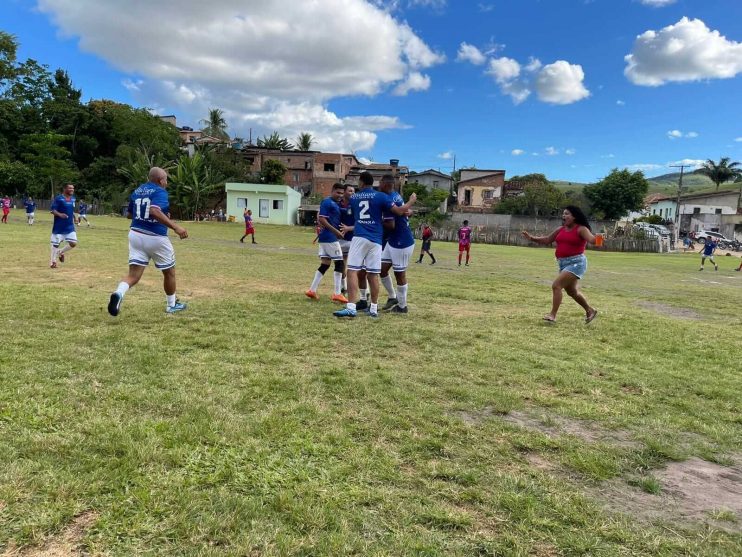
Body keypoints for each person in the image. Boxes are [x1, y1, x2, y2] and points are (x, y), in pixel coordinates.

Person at [107, 167, 188, 316]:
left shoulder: (138, 190)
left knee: (133, 275)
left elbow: (130, 215)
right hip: (155, 237)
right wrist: (176, 227)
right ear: (159, 180)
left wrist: (160, 214)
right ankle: (172, 305)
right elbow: (154, 211)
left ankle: (118, 294)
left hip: (136, 235)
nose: (167, 182)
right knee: (169, 273)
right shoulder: (160, 191)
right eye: (166, 179)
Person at [334, 172, 416, 319]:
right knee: (374, 273)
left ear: (361, 183)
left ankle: (352, 307)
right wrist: (409, 205)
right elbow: (398, 211)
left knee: (353, 270)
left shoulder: (355, 197)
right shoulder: (383, 197)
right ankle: (374, 308)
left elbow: (348, 208)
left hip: (364, 237)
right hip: (377, 240)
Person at [522, 205, 599, 324]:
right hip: (563, 263)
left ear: (574, 216)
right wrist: (531, 238)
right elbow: (547, 239)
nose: (564, 216)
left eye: (567, 214)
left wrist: (601, 239)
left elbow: (593, 240)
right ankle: (590, 310)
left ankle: (552, 315)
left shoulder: (581, 229)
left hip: (576, 263)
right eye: (563, 214)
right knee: (572, 292)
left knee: (556, 285)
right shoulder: (560, 229)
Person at [379, 175, 415, 314]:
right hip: (393, 240)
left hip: (402, 241)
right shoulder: (396, 196)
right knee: (381, 270)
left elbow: (391, 225)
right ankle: (393, 297)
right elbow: (405, 212)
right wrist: (409, 210)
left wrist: (377, 221)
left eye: (380, 182)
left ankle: (402, 306)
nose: (378, 185)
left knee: (399, 274)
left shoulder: (389, 199)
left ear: (386, 184)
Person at [306, 183, 347, 303]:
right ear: (332, 191)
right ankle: (337, 293)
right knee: (339, 263)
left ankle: (312, 290)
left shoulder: (336, 204)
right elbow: (322, 219)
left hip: (325, 238)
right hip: (329, 237)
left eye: (341, 193)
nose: (340, 195)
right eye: (338, 193)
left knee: (325, 264)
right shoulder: (327, 202)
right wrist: (336, 232)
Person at [49, 184, 79, 268]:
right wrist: (60, 214)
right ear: (65, 189)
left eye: (73, 188)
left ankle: (61, 252)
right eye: (70, 188)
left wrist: (74, 217)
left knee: (73, 243)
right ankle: (53, 262)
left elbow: (71, 210)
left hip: (69, 226)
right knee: (56, 244)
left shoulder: (73, 199)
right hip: (59, 226)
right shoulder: (59, 199)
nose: (72, 189)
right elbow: (52, 210)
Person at [338, 184, 355, 293]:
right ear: (344, 192)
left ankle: (364, 291)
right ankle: (342, 287)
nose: (352, 193)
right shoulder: (336, 204)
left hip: (352, 239)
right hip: (339, 239)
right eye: (350, 191)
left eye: (354, 191)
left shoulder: (356, 205)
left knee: (354, 265)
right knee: (340, 264)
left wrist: (349, 228)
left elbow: (361, 223)